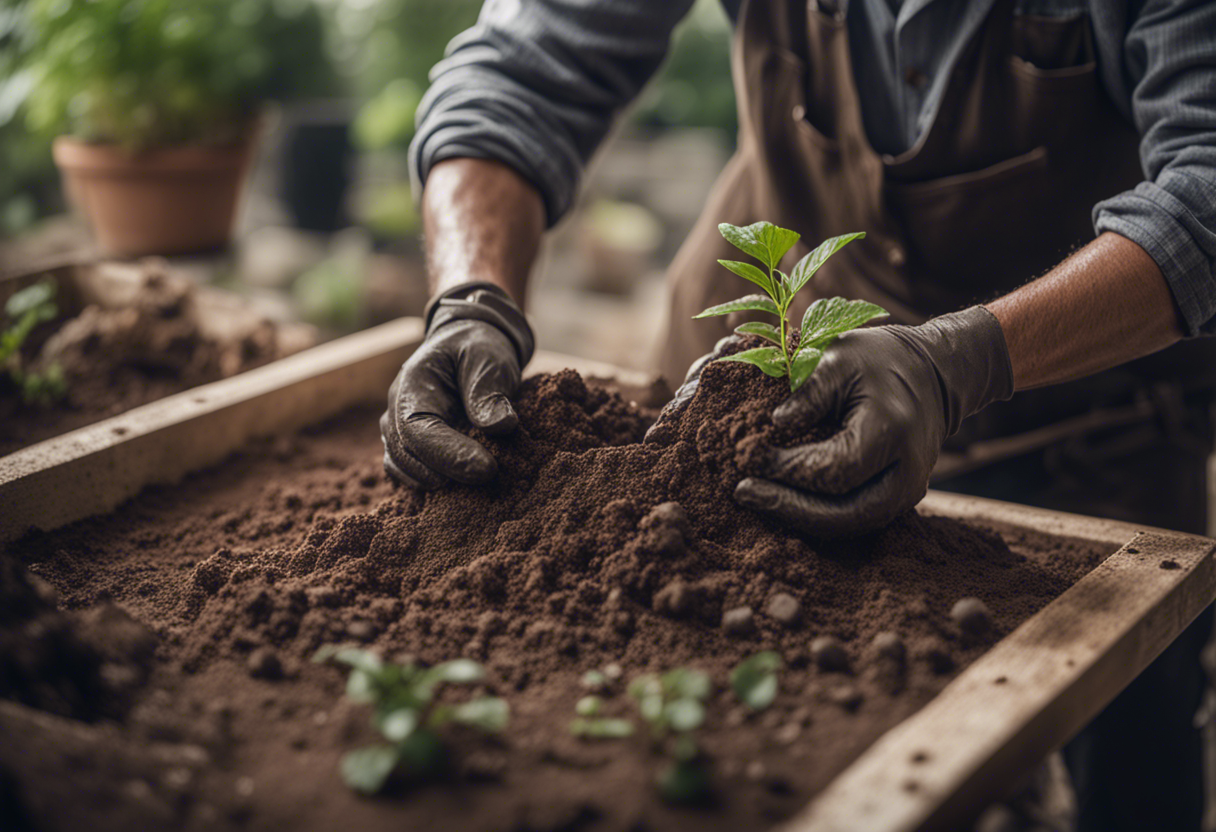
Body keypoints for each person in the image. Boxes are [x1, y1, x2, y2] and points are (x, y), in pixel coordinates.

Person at [378, 1, 1216, 829]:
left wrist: (957, 361)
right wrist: (470, 300)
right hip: (753, 420)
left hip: (1089, 412)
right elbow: (517, 73)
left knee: (1129, 766)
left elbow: (1206, 184)